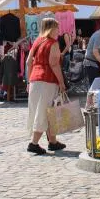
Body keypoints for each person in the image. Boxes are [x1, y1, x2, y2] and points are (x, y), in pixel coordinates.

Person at [24, 18, 67, 155]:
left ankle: (53, 142)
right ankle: (34, 143)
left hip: (35, 80)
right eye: (57, 28)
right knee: (44, 111)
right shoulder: (52, 43)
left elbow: (28, 62)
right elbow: (54, 64)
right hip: (47, 81)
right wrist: (61, 82)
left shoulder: (38, 41)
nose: (58, 31)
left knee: (47, 111)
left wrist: (29, 81)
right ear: (51, 28)